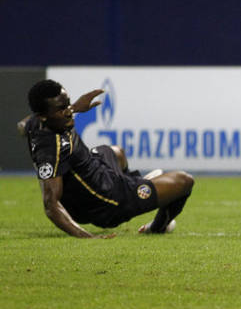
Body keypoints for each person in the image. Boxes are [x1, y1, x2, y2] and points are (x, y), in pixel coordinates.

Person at [19, 80, 194, 238]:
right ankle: (157, 227)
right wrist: (89, 238)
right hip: (109, 201)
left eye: (68, 104)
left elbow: (21, 126)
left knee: (116, 152)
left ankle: (135, 181)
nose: (68, 113)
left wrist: (72, 108)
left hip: (96, 169)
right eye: (61, 109)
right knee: (185, 180)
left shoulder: (37, 122)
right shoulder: (52, 149)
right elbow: (50, 205)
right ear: (42, 116)